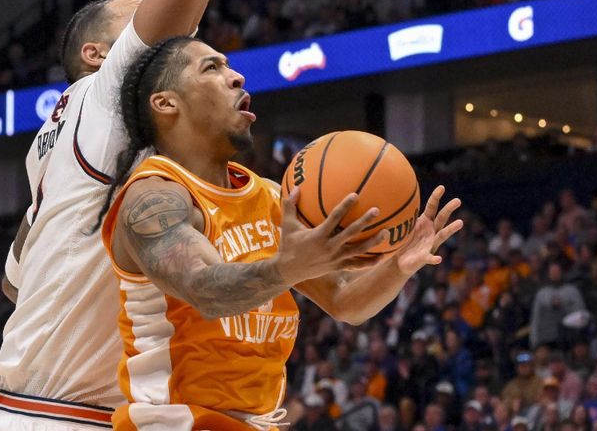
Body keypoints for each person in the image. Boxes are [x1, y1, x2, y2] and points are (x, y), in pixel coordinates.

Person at [0, 0, 287, 429]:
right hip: (56, 415)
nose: (168, 32)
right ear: (97, 54)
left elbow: (16, 286)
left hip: (42, 409)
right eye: (141, 19)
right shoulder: (106, 94)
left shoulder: (57, 149)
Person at [99, 36, 462, 429]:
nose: (236, 76)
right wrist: (284, 270)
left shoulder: (272, 197)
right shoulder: (153, 197)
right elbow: (203, 288)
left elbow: (344, 302)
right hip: (173, 421)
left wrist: (398, 266)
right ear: (166, 102)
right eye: (211, 68)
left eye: (229, 66)